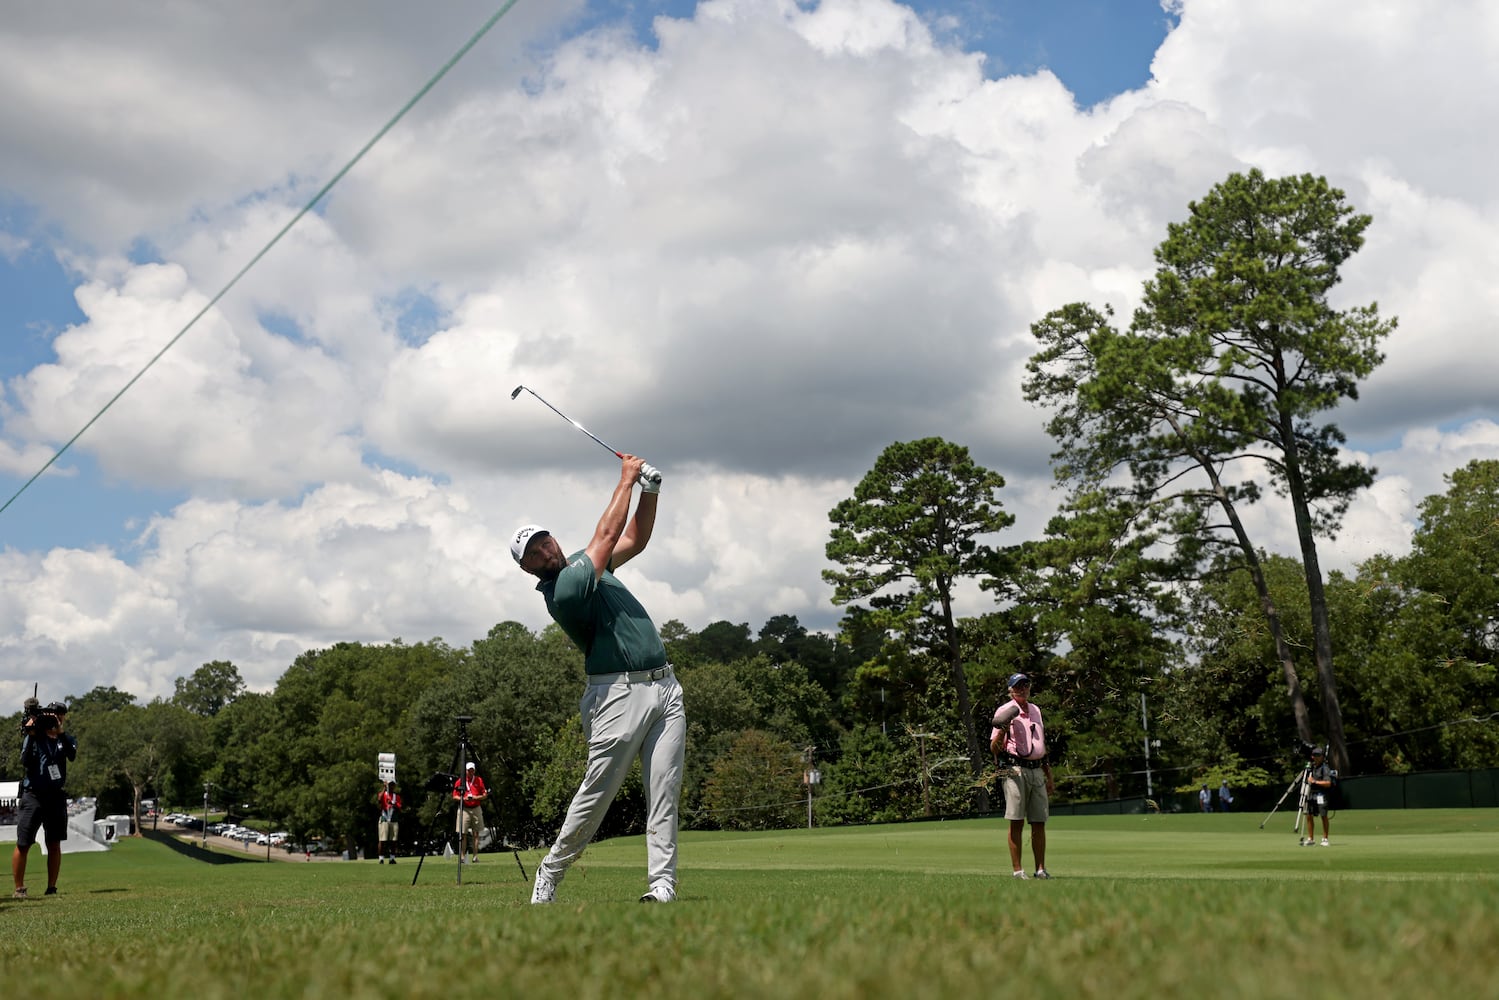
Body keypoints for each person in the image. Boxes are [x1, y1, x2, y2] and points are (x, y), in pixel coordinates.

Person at [512, 453, 686, 904]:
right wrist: (627, 478)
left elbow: (633, 538)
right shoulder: (565, 588)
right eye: (533, 551)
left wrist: (650, 491)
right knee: (597, 793)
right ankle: (550, 870)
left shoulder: (587, 563)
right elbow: (608, 533)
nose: (544, 548)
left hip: (665, 687)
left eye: (543, 539)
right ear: (528, 569)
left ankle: (661, 884)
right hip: (617, 695)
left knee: (663, 789)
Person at [11, 700, 78, 898]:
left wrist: (60, 731)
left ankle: (51, 887)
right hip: (33, 795)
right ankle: (19, 888)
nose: (56, 716)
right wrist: (31, 734)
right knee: (24, 843)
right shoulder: (34, 737)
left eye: (60, 713)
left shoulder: (65, 738)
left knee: (54, 842)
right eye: (53, 713)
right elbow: (24, 761)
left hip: (55, 796)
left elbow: (72, 754)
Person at [990, 673, 1053, 880]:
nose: (1022, 688)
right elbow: (994, 749)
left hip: (1036, 770)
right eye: (1018, 686)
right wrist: (1002, 730)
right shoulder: (1004, 711)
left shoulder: (1036, 710)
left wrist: (1048, 775)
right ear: (1010, 690)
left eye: (1025, 685)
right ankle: (1018, 871)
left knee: (1039, 821)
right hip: (1014, 769)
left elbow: (1041, 744)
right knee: (1016, 820)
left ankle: (1041, 870)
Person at [1300, 746, 1337, 846]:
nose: (1316, 757)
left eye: (1318, 755)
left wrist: (1315, 781)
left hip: (1321, 794)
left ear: (1322, 757)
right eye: (1314, 755)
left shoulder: (1325, 768)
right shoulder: (1312, 767)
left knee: (1323, 815)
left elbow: (1328, 783)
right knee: (1309, 815)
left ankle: (1325, 839)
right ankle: (1310, 838)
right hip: (1311, 793)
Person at [452, 763, 487, 863]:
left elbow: (484, 794)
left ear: (474, 770)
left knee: (476, 833)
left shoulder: (479, 780)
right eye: (468, 770)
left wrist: (476, 797)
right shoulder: (460, 781)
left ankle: (475, 856)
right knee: (463, 834)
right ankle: (462, 856)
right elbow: (454, 796)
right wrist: (464, 798)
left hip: (476, 807)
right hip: (464, 808)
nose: (470, 772)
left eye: (472, 770)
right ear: (466, 771)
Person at [377, 781, 402, 864]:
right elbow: (379, 800)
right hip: (384, 818)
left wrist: (392, 803)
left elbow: (399, 808)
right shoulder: (383, 794)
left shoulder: (396, 796)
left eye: (392, 785)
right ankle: (381, 858)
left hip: (394, 819)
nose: (391, 786)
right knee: (382, 839)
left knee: (394, 840)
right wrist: (384, 788)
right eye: (389, 785)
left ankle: (392, 858)